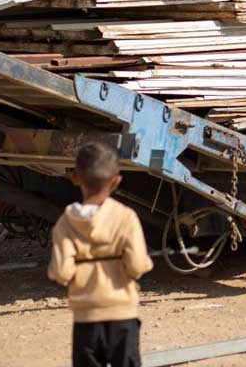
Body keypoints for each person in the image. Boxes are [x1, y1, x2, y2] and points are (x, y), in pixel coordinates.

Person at [49, 141, 154, 367]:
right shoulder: (126, 217)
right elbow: (137, 266)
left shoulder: (65, 223)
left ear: (75, 177)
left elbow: (62, 272)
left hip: (86, 319)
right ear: (116, 181)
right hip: (122, 316)